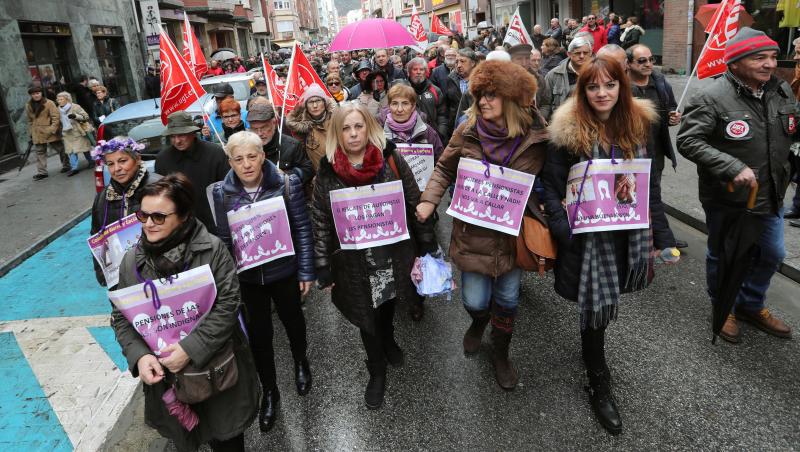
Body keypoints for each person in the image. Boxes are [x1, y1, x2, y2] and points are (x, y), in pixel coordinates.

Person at [542, 56, 660, 435]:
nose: (601, 93)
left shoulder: (639, 126)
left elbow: (649, 185)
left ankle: (594, 355)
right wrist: (564, 229)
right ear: (583, 91)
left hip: (626, 233)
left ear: (621, 87)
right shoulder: (568, 131)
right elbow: (550, 183)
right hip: (587, 238)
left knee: (606, 303)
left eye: (609, 85)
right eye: (593, 86)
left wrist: (664, 236)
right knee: (596, 305)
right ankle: (598, 378)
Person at [418, 59, 547, 391]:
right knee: (475, 301)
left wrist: (550, 201)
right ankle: (478, 322)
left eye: (492, 94)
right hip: (473, 232)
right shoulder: (467, 129)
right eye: (479, 96)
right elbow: (445, 167)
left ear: (512, 97)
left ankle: (500, 351)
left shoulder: (537, 132)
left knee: (508, 299)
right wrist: (429, 199)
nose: (483, 102)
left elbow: (556, 173)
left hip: (513, 235)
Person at [112, 173, 260, 451]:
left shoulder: (212, 249)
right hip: (168, 379)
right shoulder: (132, 260)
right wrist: (140, 356)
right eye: (143, 216)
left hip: (217, 370)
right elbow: (122, 315)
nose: (149, 224)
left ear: (182, 216)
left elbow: (228, 304)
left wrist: (190, 349)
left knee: (226, 439)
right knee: (185, 440)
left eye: (159, 217)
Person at [312, 103, 436, 410]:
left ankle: (389, 336)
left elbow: (412, 200)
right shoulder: (327, 171)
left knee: (387, 304)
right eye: (345, 128)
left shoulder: (389, 159)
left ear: (369, 127)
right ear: (337, 134)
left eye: (358, 126)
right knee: (365, 313)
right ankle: (376, 367)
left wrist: (426, 243)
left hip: (391, 253)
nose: (353, 134)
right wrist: (323, 266)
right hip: (354, 260)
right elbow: (321, 221)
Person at [677, 28, 794, 343]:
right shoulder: (710, 97)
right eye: (760, 57)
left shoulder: (782, 90)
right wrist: (731, 166)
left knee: (771, 253)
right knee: (724, 254)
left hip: (771, 192)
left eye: (772, 56)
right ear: (736, 62)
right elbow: (688, 141)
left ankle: (750, 304)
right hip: (727, 198)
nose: (770, 64)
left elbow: (789, 132)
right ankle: (723, 306)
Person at [208, 131, 314, 434]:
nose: (246, 164)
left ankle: (300, 360)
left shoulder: (286, 183)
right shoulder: (221, 193)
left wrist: (306, 271)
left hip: (284, 270)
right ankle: (270, 390)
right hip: (249, 278)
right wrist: (227, 283)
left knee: (293, 321)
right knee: (260, 336)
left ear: (262, 155)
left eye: (252, 156)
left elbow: (302, 228)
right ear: (230, 162)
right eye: (238, 159)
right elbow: (224, 240)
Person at [627, 44, 686, 251]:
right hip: (629, 152)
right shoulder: (621, 86)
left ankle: (657, 235)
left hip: (656, 151)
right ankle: (636, 235)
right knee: (629, 195)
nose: (648, 64)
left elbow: (671, 107)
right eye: (642, 61)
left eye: (651, 59)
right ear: (629, 63)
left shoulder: (660, 82)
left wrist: (674, 117)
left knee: (653, 193)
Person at [90, 137, 161, 286]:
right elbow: (97, 236)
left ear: (138, 159)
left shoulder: (160, 188)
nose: (117, 169)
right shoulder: (103, 198)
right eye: (110, 164)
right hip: (122, 281)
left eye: (122, 161)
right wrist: (103, 273)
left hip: (159, 275)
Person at [156, 111, 229, 231]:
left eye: (181, 135)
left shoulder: (214, 153)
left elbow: (227, 189)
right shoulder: (163, 159)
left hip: (215, 225)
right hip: (179, 229)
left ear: (193, 133)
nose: (177, 141)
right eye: (173, 136)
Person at [248, 99, 313, 186]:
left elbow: (308, 171)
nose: (259, 133)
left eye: (264, 127)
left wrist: (286, 175)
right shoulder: (247, 148)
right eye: (255, 129)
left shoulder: (292, 145)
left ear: (274, 123)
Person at [286, 84, 336, 172]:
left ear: (325, 103)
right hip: (320, 177)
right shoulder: (303, 128)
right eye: (311, 102)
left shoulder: (337, 119)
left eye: (318, 100)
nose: (315, 105)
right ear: (306, 106)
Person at [542, 36, 593, 120]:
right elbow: (545, 104)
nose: (582, 56)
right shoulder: (553, 75)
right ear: (569, 54)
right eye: (577, 53)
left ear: (590, 53)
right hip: (561, 125)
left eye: (585, 53)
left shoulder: (598, 73)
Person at [26, 82, 69, 180]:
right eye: (33, 94)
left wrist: (52, 129)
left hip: (49, 131)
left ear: (41, 93)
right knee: (40, 152)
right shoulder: (28, 105)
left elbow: (56, 117)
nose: (36, 95)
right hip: (37, 132)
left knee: (61, 149)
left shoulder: (49, 103)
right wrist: (31, 132)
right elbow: (29, 120)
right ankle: (42, 172)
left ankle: (66, 165)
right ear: (31, 95)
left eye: (37, 93)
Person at [406, 57, 448, 139]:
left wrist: (440, 133)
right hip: (408, 136)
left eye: (421, 70)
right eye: (415, 69)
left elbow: (442, 115)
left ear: (425, 72)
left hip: (432, 136)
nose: (418, 72)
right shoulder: (403, 90)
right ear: (409, 72)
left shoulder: (435, 90)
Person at [55, 92, 94, 176]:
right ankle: (74, 168)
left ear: (67, 99)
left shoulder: (75, 106)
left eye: (61, 99)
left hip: (78, 131)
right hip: (66, 133)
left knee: (84, 148)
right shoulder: (58, 110)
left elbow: (86, 117)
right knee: (71, 151)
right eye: (58, 99)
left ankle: (91, 161)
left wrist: (75, 116)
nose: (59, 101)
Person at [509, 44, 551, 114]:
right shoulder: (503, 80)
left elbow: (545, 104)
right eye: (519, 59)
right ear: (511, 60)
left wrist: (540, 117)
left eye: (527, 58)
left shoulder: (539, 79)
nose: (524, 63)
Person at [446, 49, 478, 133]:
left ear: (473, 63)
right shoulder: (450, 79)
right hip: (455, 128)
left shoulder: (480, 81)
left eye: (462, 61)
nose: (459, 65)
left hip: (475, 127)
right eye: (457, 62)